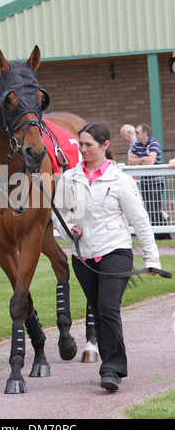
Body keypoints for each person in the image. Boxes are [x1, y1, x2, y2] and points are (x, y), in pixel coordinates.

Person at [52, 122, 161, 391]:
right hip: (83, 256)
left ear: (105, 146)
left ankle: (112, 368)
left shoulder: (120, 180)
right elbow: (59, 215)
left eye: (89, 144)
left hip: (116, 251)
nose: (84, 149)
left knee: (109, 308)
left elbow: (141, 221)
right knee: (99, 311)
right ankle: (110, 365)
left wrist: (152, 260)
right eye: (81, 144)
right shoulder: (69, 178)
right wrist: (70, 230)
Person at [128, 123, 171, 239]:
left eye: (137, 132)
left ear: (145, 133)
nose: (135, 135)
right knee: (150, 209)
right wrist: (143, 159)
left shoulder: (154, 143)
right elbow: (130, 161)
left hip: (156, 182)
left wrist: (140, 160)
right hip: (145, 182)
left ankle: (163, 235)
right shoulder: (137, 144)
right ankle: (161, 234)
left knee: (154, 209)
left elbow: (151, 162)